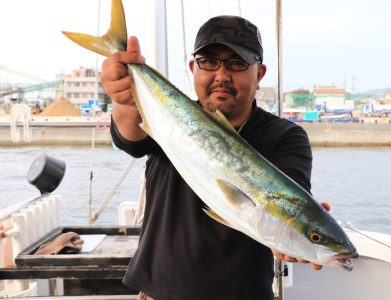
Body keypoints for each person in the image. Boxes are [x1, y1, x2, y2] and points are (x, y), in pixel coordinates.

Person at [101, 15, 326, 300]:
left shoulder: (285, 136)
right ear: (193, 68)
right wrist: (124, 101)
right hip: (158, 293)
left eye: (237, 63)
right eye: (209, 62)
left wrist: (301, 229)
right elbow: (130, 137)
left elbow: (289, 192)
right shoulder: (166, 114)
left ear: (259, 73)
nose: (222, 75)